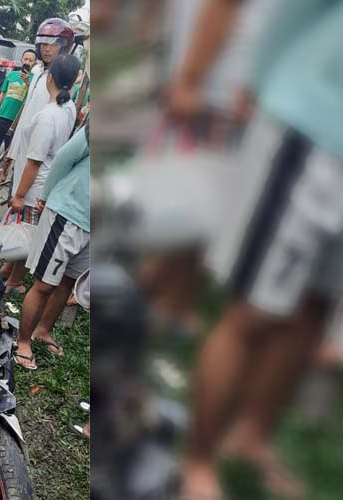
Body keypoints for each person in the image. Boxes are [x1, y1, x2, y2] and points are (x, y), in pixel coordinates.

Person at [166, 1, 343, 499]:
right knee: (254, 311)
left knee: (314, 307)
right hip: (309, 127)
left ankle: (252, 437)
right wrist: (240, 78)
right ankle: (198, 463)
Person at [12, 84, 87, 372]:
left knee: (69, 282)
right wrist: (46, 195)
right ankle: (23, 341)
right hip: (67, 213)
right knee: (45, 284)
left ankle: (43, 331)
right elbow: (65, 157)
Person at [0, 18, 75, 293]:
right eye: (43, 43)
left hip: (37, 162)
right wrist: (11, 151)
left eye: (53, 44)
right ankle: (9, 268)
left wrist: (20, 189)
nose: (46, 49)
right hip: (26, 154)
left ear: (65, 46)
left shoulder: (59, 96)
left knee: (27, 223)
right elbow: (26, 117)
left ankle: (15, 278)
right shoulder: (40, 73)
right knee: (21, 219)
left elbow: (42, 138)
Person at [0, 49, 37, 179]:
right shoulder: (12, 75)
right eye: (25, 59)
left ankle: (3, 173)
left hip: (17, 119)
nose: (27, 62)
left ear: (34, 63)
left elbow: (33, 97)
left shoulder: (34, 80)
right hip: (2, 115)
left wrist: (28, 82)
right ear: (21, 60)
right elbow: (2, 94)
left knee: (10, 147)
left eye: (30, 60)